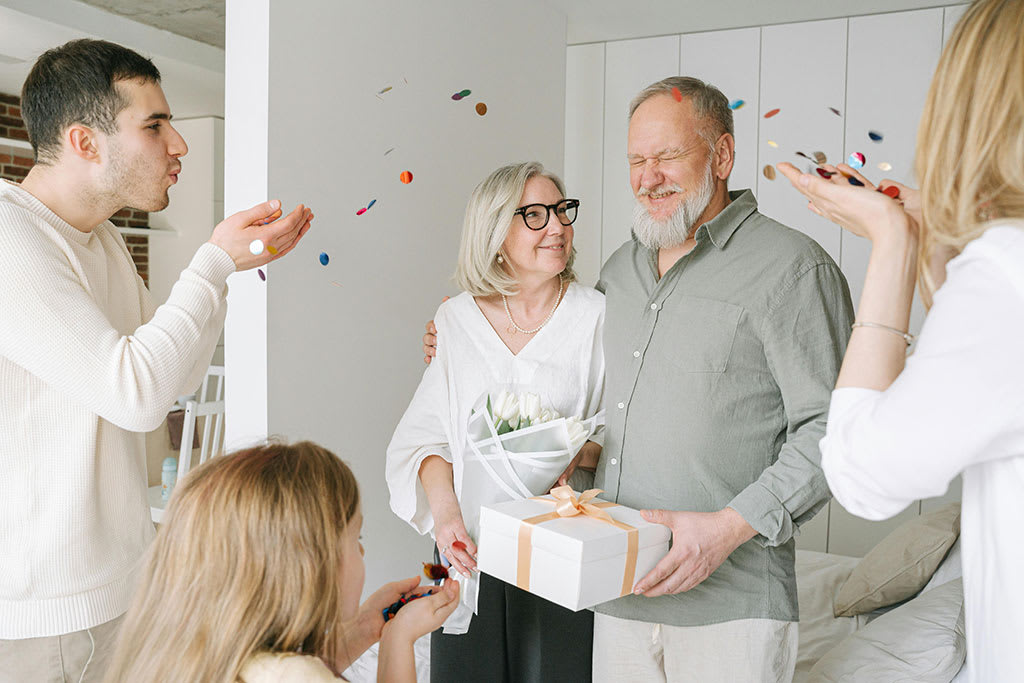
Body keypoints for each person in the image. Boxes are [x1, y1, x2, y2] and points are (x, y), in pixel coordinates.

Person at [425, 78, 855, 682]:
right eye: (637, 160)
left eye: (669, 156)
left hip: (729, 607)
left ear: (723, 156)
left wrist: (729, 529)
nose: (648, 177)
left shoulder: (791, 268)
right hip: (614, 598)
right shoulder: (618, 274)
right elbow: (568, 380)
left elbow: (838, 431)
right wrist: (463, 335)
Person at [0, 39, 312, 682]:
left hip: (116, 585)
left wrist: (225, 271)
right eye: (154, 125)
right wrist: (214, 260)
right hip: (48, 614)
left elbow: (174, 377)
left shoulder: (99, 236)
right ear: (85, 142)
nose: (180, 144)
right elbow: (136, 394)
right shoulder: (11, 237)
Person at [778, 0, 1024, 679]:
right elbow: (988, 377)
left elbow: (861, 474)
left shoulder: (1008, 269)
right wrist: (937, 241)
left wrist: (892, 242)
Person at [387, 161, 605, 682]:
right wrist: (446, 522)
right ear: (495, 233)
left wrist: (572, 455)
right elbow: (426, 440)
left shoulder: (597, 317)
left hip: (560, 547)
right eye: (534, 214)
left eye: (561, 211)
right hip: (463, 546)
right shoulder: (454, 321)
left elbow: (614, 435)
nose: (557, 226)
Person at [102, 441, 459, 682]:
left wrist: (366, 627)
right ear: (312, 567)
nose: (362, 553)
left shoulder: (198, 654)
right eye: (357, 539)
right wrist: (399, 641)